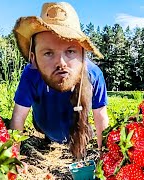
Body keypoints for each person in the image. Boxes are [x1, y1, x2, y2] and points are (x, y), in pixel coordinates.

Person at [10, 1, 109, 159]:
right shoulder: (30, 74)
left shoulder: (94, 75)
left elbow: (100, 117)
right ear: (33, 59)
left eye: (70, 51)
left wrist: (105, 157)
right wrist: (11, 159)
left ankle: (78, 140)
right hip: (45, 127)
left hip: (77, 130)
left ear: (83, 56)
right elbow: (18, 116)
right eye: (48, 53)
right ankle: (49, 138)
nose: (61, 63)